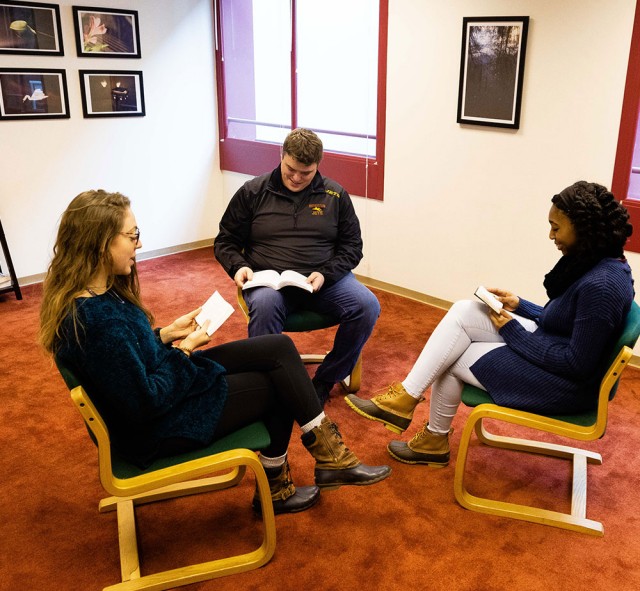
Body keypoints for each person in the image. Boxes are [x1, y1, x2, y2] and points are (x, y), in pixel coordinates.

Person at [40, 190, 391, 515]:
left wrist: (164, 334)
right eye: (132, 236)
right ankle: (279, 487)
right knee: (279, 386)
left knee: (278, 348)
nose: (140, 243)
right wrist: (185, 351)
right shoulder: (98, 323)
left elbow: (122, 360)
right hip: (159, 426)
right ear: (101, 243)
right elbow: (145, 402)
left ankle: (330, 459)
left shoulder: (95, 297)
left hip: (167, 384)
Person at [345, 181, 634, 466]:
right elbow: (567, 321)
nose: (550, 235)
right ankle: (406, 399)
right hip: (554, 346)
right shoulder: (598, 263)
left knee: (452, 356)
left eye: (556, 228)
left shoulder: (602, 285)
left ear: (583, 228)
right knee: (465, 310)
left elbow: (576, 363)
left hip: (568, 385)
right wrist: (520, 305)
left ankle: (431, 437)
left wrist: (512, 329)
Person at [214, 128, 380, 405]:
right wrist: (238, 266)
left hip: (323, 282)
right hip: (269, 282)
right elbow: (226, 240)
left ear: (318, 165)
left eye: (306, 173)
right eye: (291, 169)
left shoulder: (335, 195)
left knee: (367, 305)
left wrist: (326, 273)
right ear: (281, 156)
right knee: (265, 306)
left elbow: (353, 247)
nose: (296, 178)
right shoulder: (253, 191)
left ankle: (326, 380)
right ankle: (264, 385)